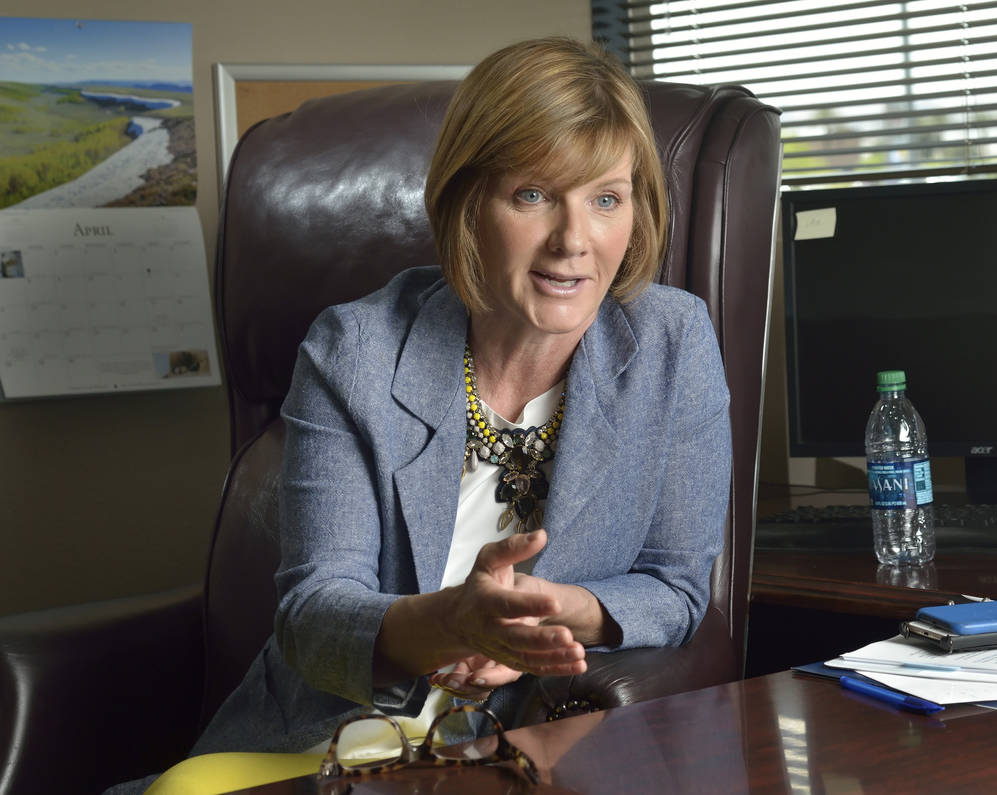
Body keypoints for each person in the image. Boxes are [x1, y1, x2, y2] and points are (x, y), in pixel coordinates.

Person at [108, 35, 730, 793]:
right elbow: (311, 611)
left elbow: (677, 586)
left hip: (508, 750)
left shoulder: (675, 343)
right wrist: (452, 622)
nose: (575, 240)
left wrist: (554, 615)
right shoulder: (357, 349)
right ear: (469, 202)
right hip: (322, 741)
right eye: (533, 194)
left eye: (606, 198)